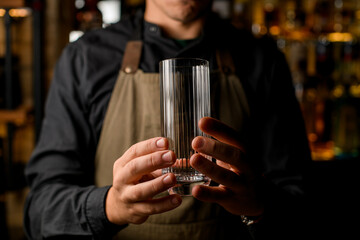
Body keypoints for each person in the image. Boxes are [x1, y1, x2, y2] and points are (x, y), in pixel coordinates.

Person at [24, 0, 311, 239]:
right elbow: (39, 211)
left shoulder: (263, 59)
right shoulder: (85, 57)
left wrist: (260, 205)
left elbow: (302, 203)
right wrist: (110, 206)